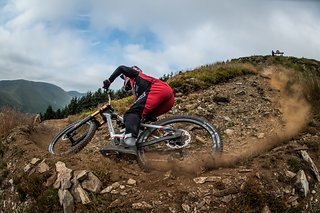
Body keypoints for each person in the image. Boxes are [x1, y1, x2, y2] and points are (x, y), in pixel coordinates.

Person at [102, 65, 175, 155]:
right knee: (139, 120)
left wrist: (109, 81)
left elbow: (121, 68)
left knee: (131, 113)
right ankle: (169, 136)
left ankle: (130, 144)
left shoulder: (135, 75)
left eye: (124, 78)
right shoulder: (138, 92)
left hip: (159, 90)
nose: (124, 81)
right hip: (167, 101)